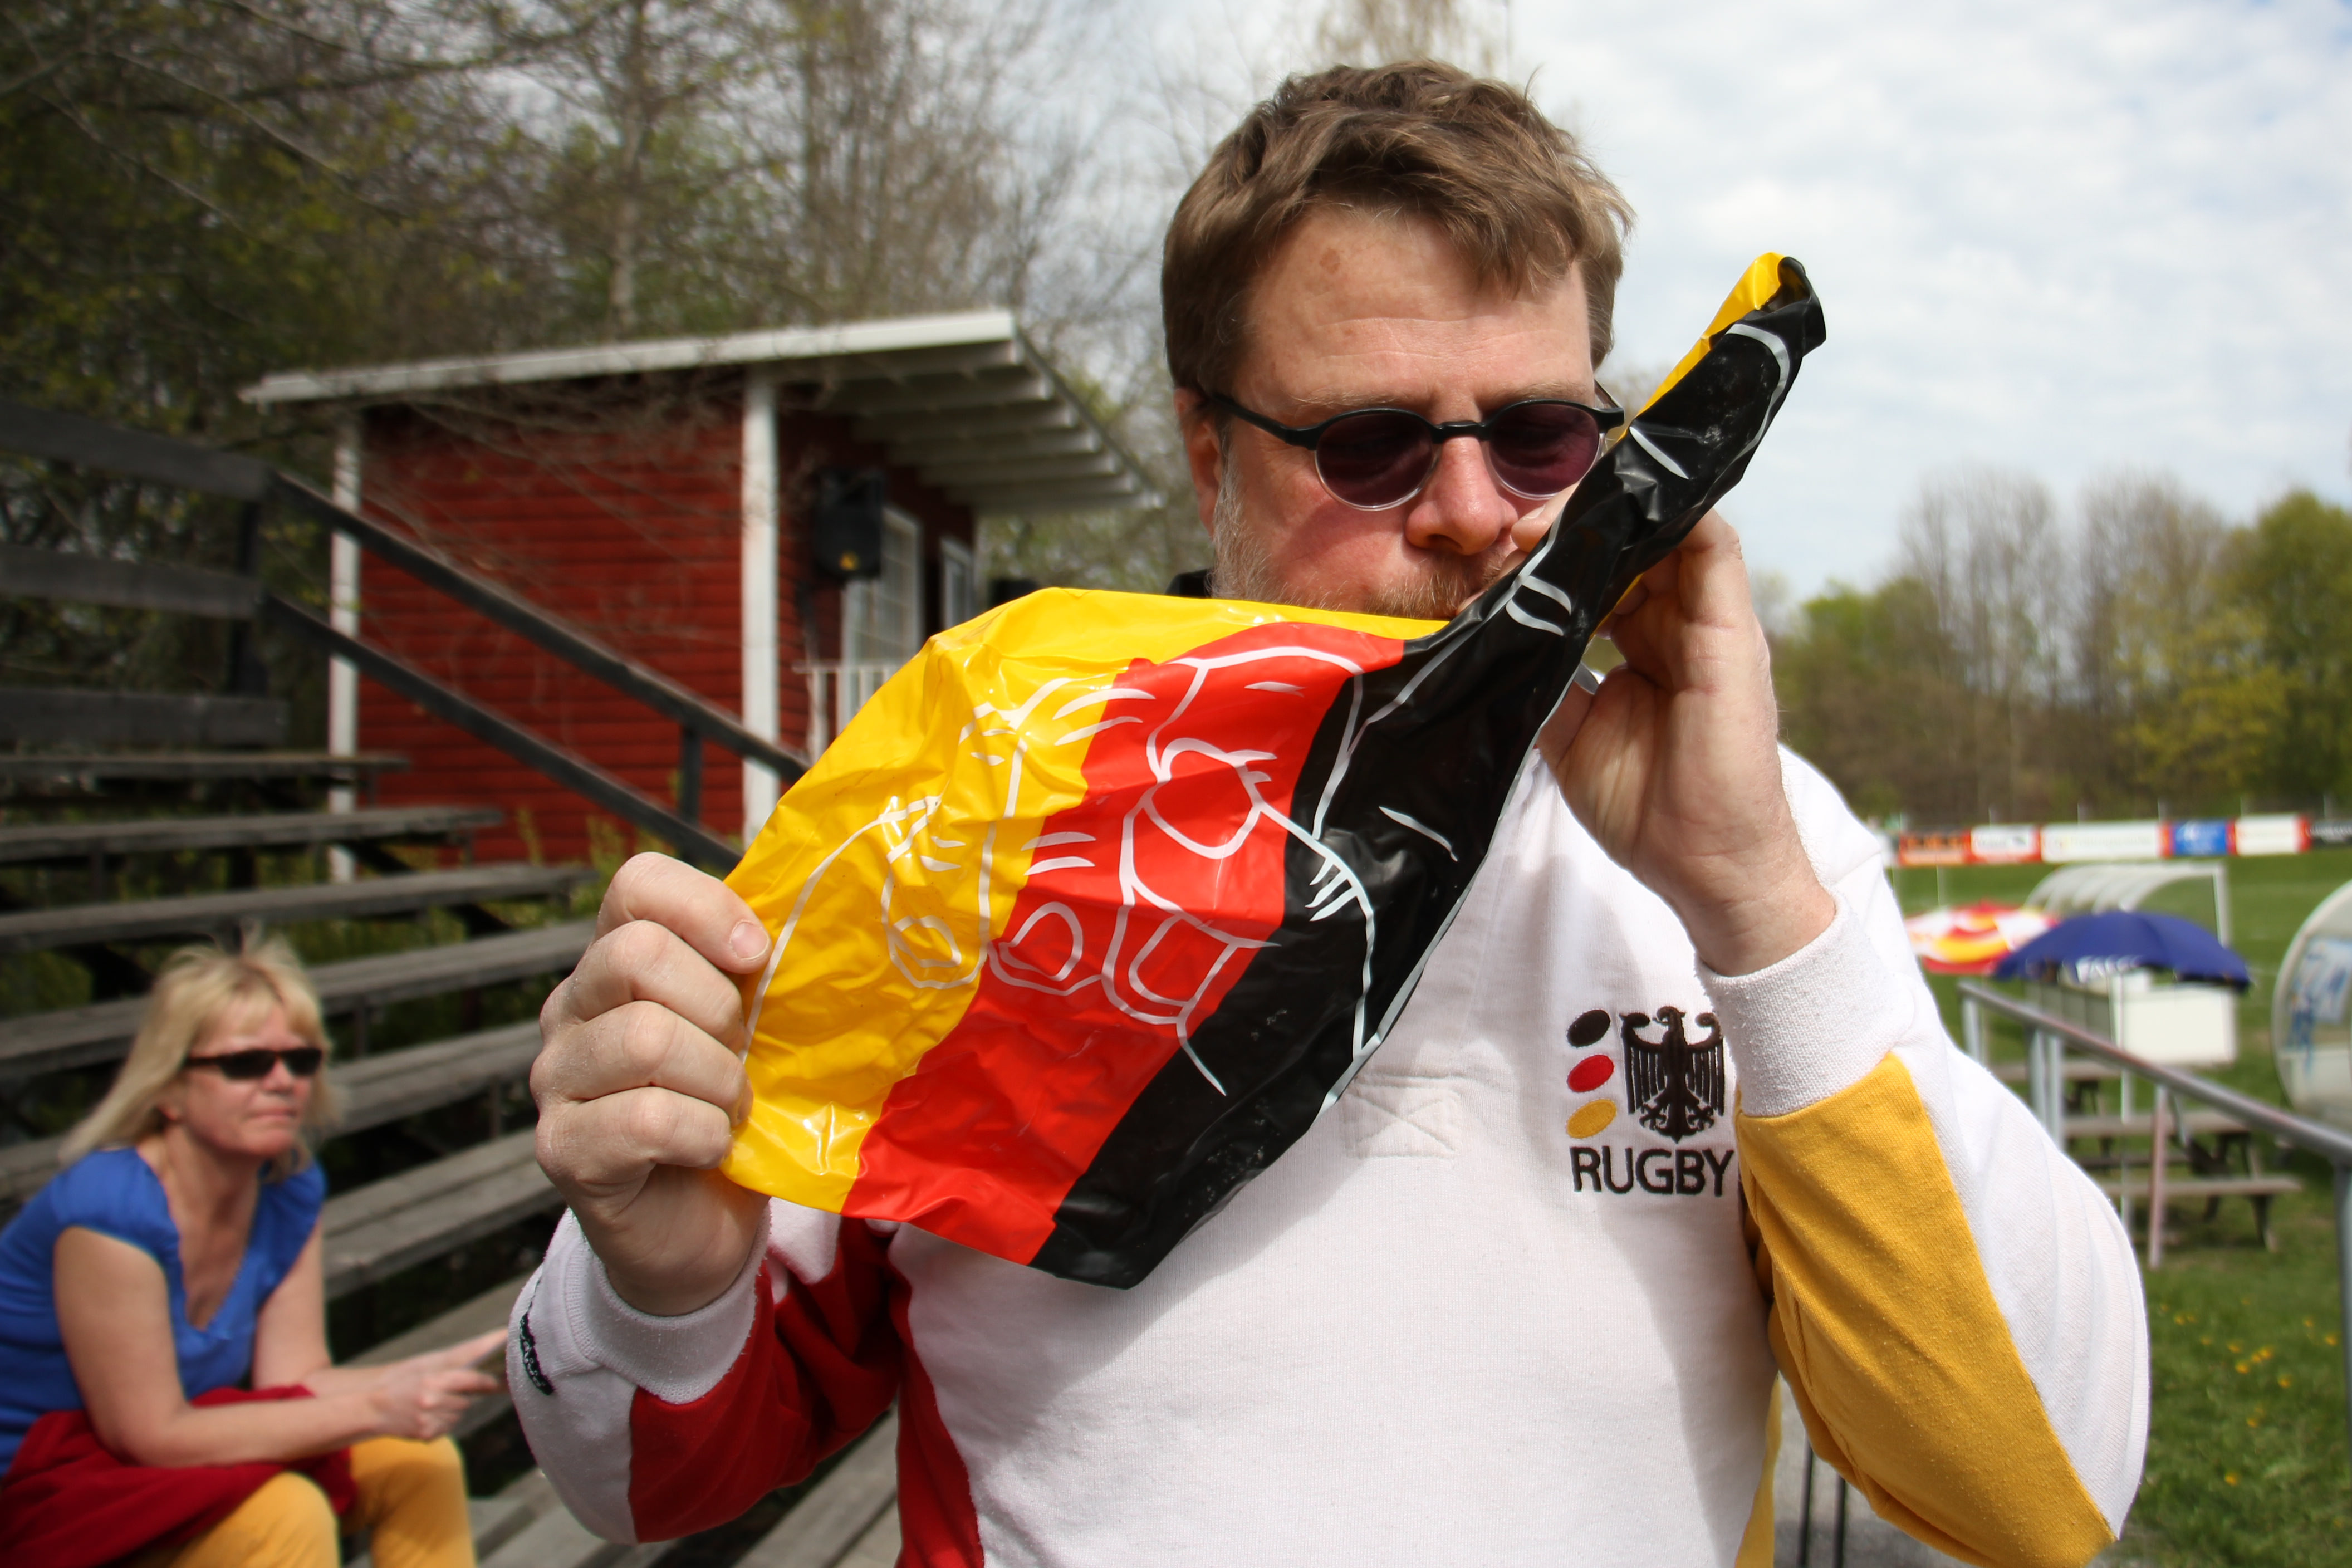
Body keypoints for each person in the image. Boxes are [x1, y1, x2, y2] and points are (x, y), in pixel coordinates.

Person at [510, 62, 2147, 1567]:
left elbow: (2038, 1488)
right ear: (1205, 452)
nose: (1470, 513)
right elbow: (638, 1478)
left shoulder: (1757, 848)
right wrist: (661, 1282)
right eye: (1372, 446)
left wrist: (1755, 903)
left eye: (1540, 436)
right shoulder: (980, 824)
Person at [0, 941, 503, 1568]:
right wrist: (377, 1406)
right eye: (246, 1063)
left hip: (163, 1455)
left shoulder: (287, 1185)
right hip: (41, 1490)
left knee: (419, 1458)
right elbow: (149, 1433)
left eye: (301, 1059)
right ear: (169, 1087)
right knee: (284, 1514)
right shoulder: (108, 1210)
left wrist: (439, 1369)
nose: (282, 1080)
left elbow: (296, 1380)